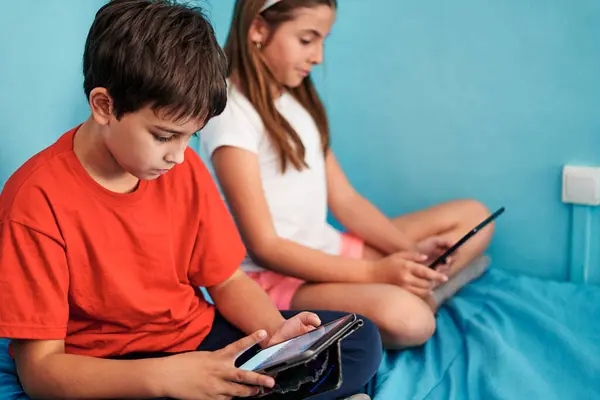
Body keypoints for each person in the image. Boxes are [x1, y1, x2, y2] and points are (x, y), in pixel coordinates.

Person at [0, 1, 381, 398]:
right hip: (111, 368)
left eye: (190, 136)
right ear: (104, 106)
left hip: (196, 336)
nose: (179, 155)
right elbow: (41, 371)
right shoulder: (35, 200)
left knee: (359, 341)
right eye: (164, 136)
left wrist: (277, 338)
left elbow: (228, 280)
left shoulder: (181, 167)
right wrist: (165, 377)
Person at [201, 0, 495, 349]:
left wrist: (411, 254)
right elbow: (266, 248)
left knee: (477, 215)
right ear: (258, 30)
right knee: (412, 322)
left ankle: (424, 283)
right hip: (279, 276)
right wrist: (376, 273)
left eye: (323, 41)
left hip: (328, 249)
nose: (318, 56)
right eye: (307, 40)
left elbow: (346, 200)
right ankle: (429, 292)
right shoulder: (233, 114)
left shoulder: (298, 103)